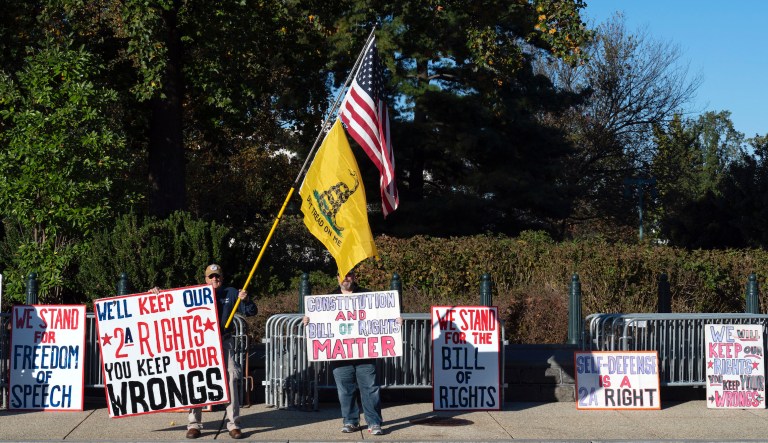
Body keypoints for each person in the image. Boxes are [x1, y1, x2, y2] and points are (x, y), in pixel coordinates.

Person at [152, 263, 257, 440]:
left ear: (222, 278)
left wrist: (246, 299)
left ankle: (234, 424)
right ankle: (194, 424)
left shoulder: (231, 293)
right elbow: (170, 304)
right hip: (201, 344)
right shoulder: (195, 293)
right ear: (205, 279)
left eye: (218, 276)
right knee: (196, 379)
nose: (215, 279)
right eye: (211, 276)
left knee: (231, 376)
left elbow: (252, 311)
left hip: (224, 342)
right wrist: (156, 295)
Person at [303, 270, 397, 436]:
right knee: (345, 390)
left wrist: (395, 319)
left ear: (354, 277)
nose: (346, 278)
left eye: (349, 275)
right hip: (339, 354)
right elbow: (319, 321)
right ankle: (350, 421)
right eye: (342, 275)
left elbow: (384, 315)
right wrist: (308, 320)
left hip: (365, 353)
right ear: (337, 277)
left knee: (370, 388)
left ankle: (374, 422)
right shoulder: (328, 299)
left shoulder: (368, 296)